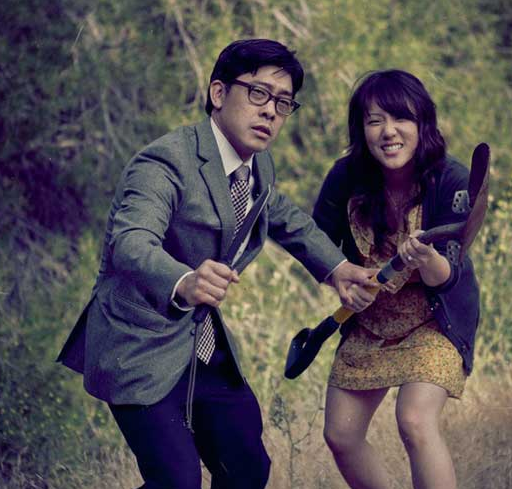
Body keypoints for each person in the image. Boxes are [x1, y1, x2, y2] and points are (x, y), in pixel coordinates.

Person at [57, 39, 375, 489]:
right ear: (219, 93)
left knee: (247, 470)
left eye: (283, 103)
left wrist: (338, 269)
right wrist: (185, 279)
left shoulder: (257, 165)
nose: (270, 111)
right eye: (259, 93)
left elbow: (283, 215)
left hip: (201, 343)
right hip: (138, 342)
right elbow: (130, 242)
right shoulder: (165, 161)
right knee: (177, 480)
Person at [313, 69, 480, 489]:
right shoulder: (346, 176)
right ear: (362, 130)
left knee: (415, 420)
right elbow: (315, 243)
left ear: (422, 123)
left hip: (434, 320)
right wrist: (342, 280)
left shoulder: (451, 179)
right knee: (340, 434)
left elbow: (448, 275)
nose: (389, 132)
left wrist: (426, 258)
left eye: (401, 118)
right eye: (375, 121)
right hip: (370, 321)